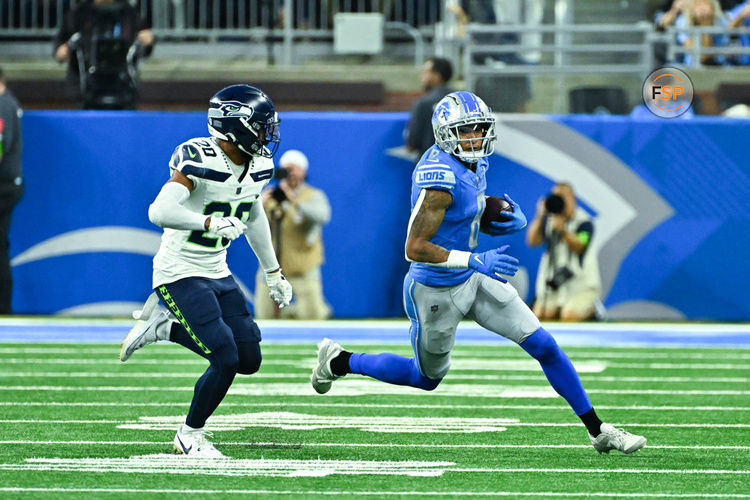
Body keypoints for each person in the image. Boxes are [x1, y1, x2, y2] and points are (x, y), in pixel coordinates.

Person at [310, 91, 645, 455]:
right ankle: (340, 361)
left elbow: (466, 210)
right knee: (424, 378)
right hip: (433, 288)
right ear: (444, 133)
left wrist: (497, 213)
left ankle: (598, 430)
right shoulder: (437, 179)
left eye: (479, 129)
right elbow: (415, 247)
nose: (475, 138)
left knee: (544, 345)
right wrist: (472, 259)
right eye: (466, 131)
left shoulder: (474, 163)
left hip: (470, 277)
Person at [118, 84, 293, 457]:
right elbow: (159, 212)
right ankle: (189, 435)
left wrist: (273, 272)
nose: (267, 135)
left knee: (249, 360)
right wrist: (209, 223)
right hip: (179, 271)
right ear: (236, 126)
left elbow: (254, 212)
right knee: (225, 357)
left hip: (217, 270)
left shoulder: (259, 165)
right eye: (261, 127)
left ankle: (163, 327)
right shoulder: (199, 156)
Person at [255, 149, 332, 319]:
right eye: (285, 170)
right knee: (264, 317)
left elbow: (323, 216)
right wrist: (258, 206)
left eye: (293, 169)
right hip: (272, 268)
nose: (289, 174)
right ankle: (288, 313)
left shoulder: (313, 195)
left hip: (303, 267)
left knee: (312, 316)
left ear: (303, 172)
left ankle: (316, 309)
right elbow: (251, 224)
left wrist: (293, 201)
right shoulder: (270, 196)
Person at [53, 0, 155, 108]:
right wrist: (62, 51)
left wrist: (148, 40)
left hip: (122, 87)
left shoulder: (129, 13)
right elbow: (60, 46)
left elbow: (145, 48)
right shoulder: (78, 14)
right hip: (85, 88)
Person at [526, 183, 602, 322]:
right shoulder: (550, 219)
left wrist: (563, 230)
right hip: (556, 285)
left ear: (574, 199)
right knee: (540, 317)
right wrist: (540, 216)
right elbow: (532, 241)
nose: (560, 201)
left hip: (580, 285)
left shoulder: (584, 223)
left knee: (568, 316)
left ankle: (591, 311)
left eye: (564, 197)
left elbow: (579, 245)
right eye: (557, 197)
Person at [0, 68, 23, 315]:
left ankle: (3, 307)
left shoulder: (2, 105)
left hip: (3, 186)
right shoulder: (9, 103)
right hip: (10, 184)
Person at [406, 57, 455, 159]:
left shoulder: (423, 103)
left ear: (437, 76)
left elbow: (412, 144)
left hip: (428, 167)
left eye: (426, 72)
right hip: (458, 168)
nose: (422, 76)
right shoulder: (461, 102)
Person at [656, 0, 729, 66]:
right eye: (698, 4)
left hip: (718, 66)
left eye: (706, 3)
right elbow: (700, 56)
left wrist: (706, 26)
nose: (702, 8)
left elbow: (709, 57)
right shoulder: (683, 21)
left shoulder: (721, 21)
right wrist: (704, 26)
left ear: (713, 7)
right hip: (690, 67)